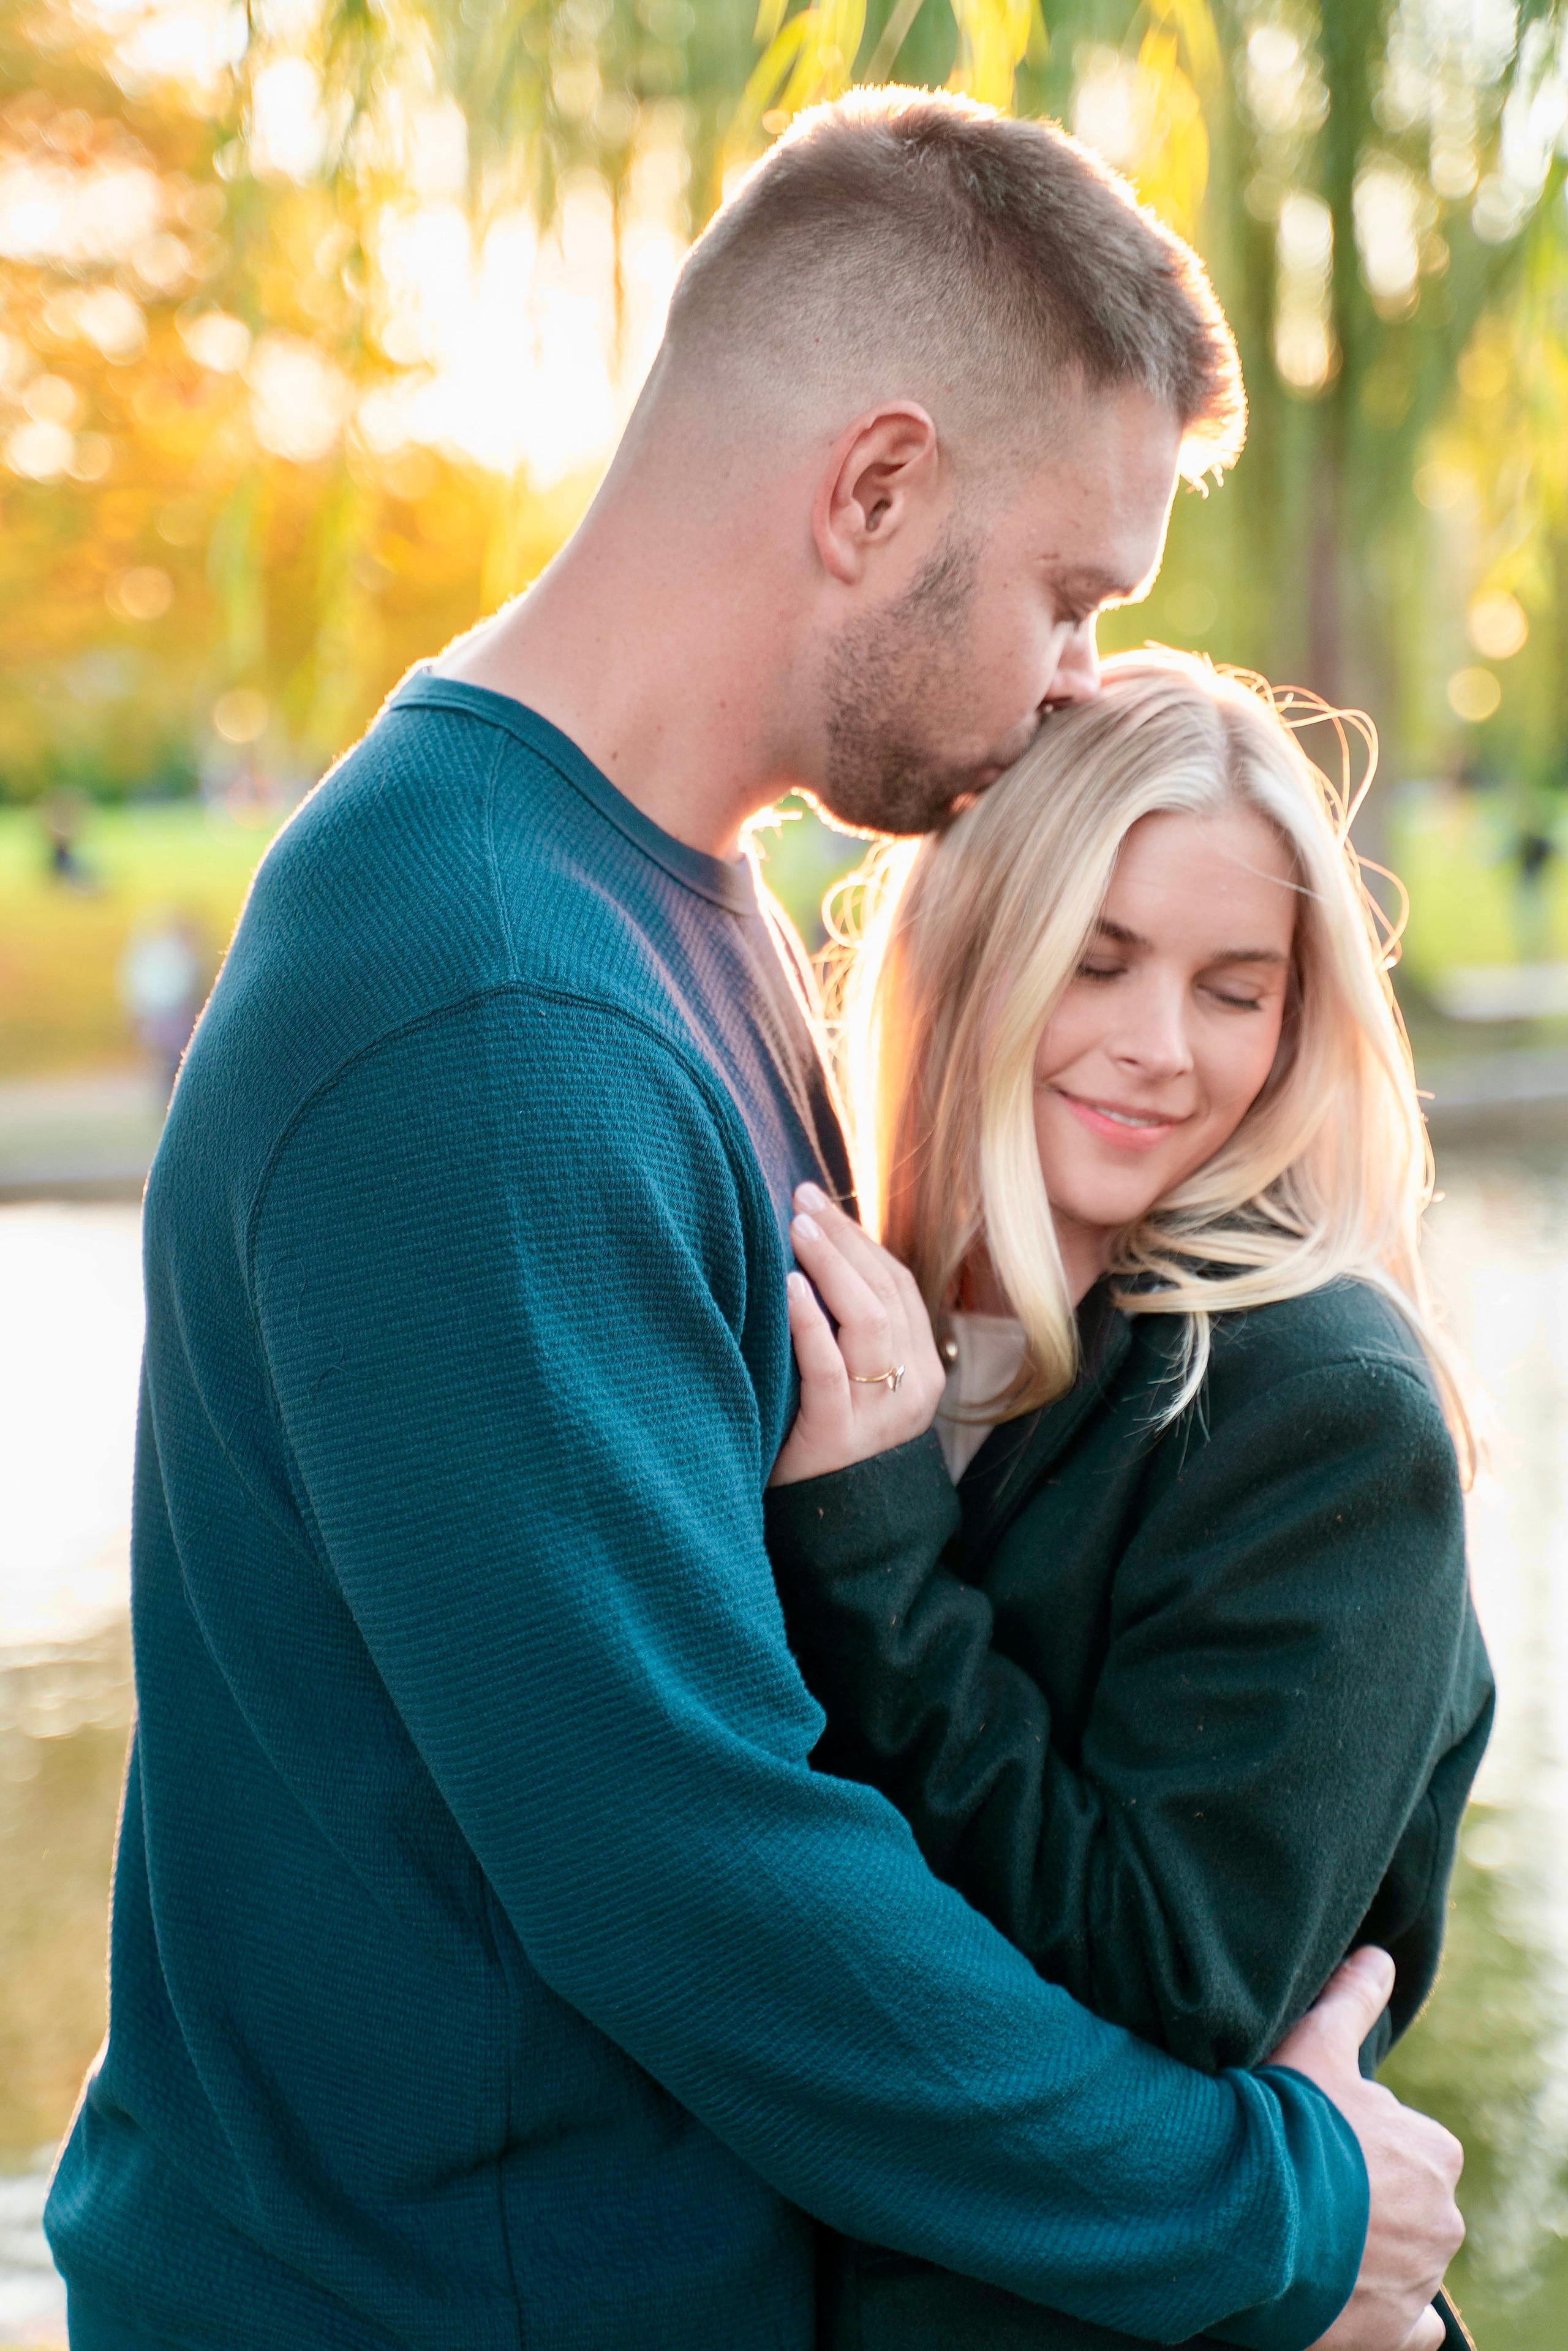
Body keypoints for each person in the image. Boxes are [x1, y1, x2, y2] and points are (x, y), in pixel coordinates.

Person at [47, 94, 1463, 2351]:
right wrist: (1258, 2211)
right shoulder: (487, 1003)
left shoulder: (662, 899)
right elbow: (697, 1869)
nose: (1086, 672)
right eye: (1069, 590)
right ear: (875, 490)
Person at [764, 652, 1493, 2349]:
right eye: (1100, 960)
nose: (1161, 1050)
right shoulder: (887, 1332)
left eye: (1234, 990)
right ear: (972, 942)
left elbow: (1179, 1979)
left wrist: (872, 1548)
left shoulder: (1316, 1409)